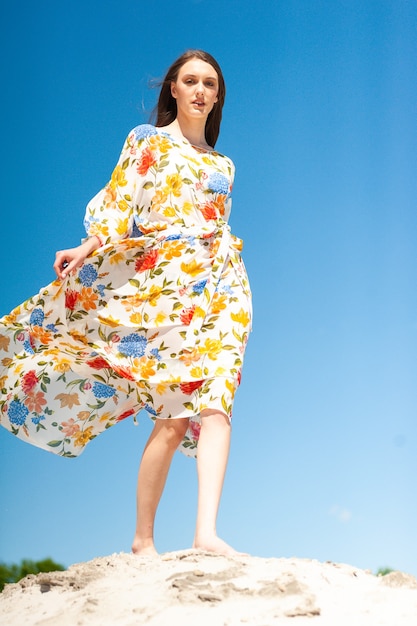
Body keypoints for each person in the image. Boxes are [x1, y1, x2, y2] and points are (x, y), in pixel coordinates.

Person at [0, 50, 252, 556]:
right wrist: (88, 245)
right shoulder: (148, 142)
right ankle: (143, 540)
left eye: (209, 83)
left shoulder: (225, 164)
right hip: (166, 287)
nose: (200, 90)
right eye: (190, 81)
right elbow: (121, 203)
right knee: (173, 415)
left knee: (217, 403)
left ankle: (206, 533)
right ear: (174, 90)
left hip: (223, 284)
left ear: (217, 95)